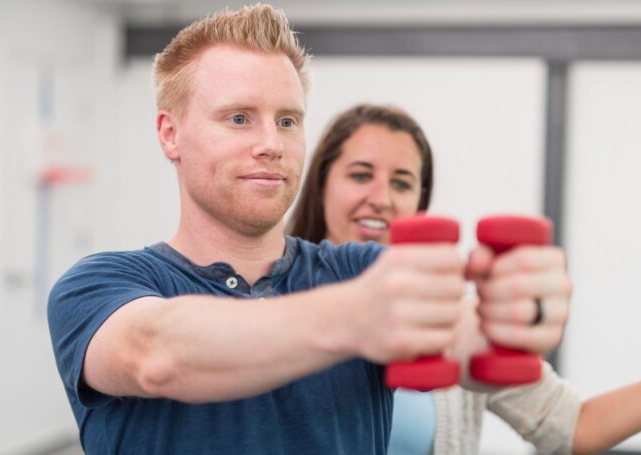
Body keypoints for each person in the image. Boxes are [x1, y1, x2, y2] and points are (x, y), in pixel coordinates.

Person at [47, 5, 573, 454]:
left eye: (288, 120)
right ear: (170, 134)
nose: (271, 143)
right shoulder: (98, 285)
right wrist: (357, 314)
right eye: (238, 118)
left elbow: (464, 343)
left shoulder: (362, 269)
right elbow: (157, 355)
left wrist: (514, 315)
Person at [288, 103, 641, 455]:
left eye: (402, 182)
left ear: (421, 206)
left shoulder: (459, 325)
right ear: (322, 185)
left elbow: (574, 425)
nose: (381, 196)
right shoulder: (266, 298)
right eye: (361, 174)